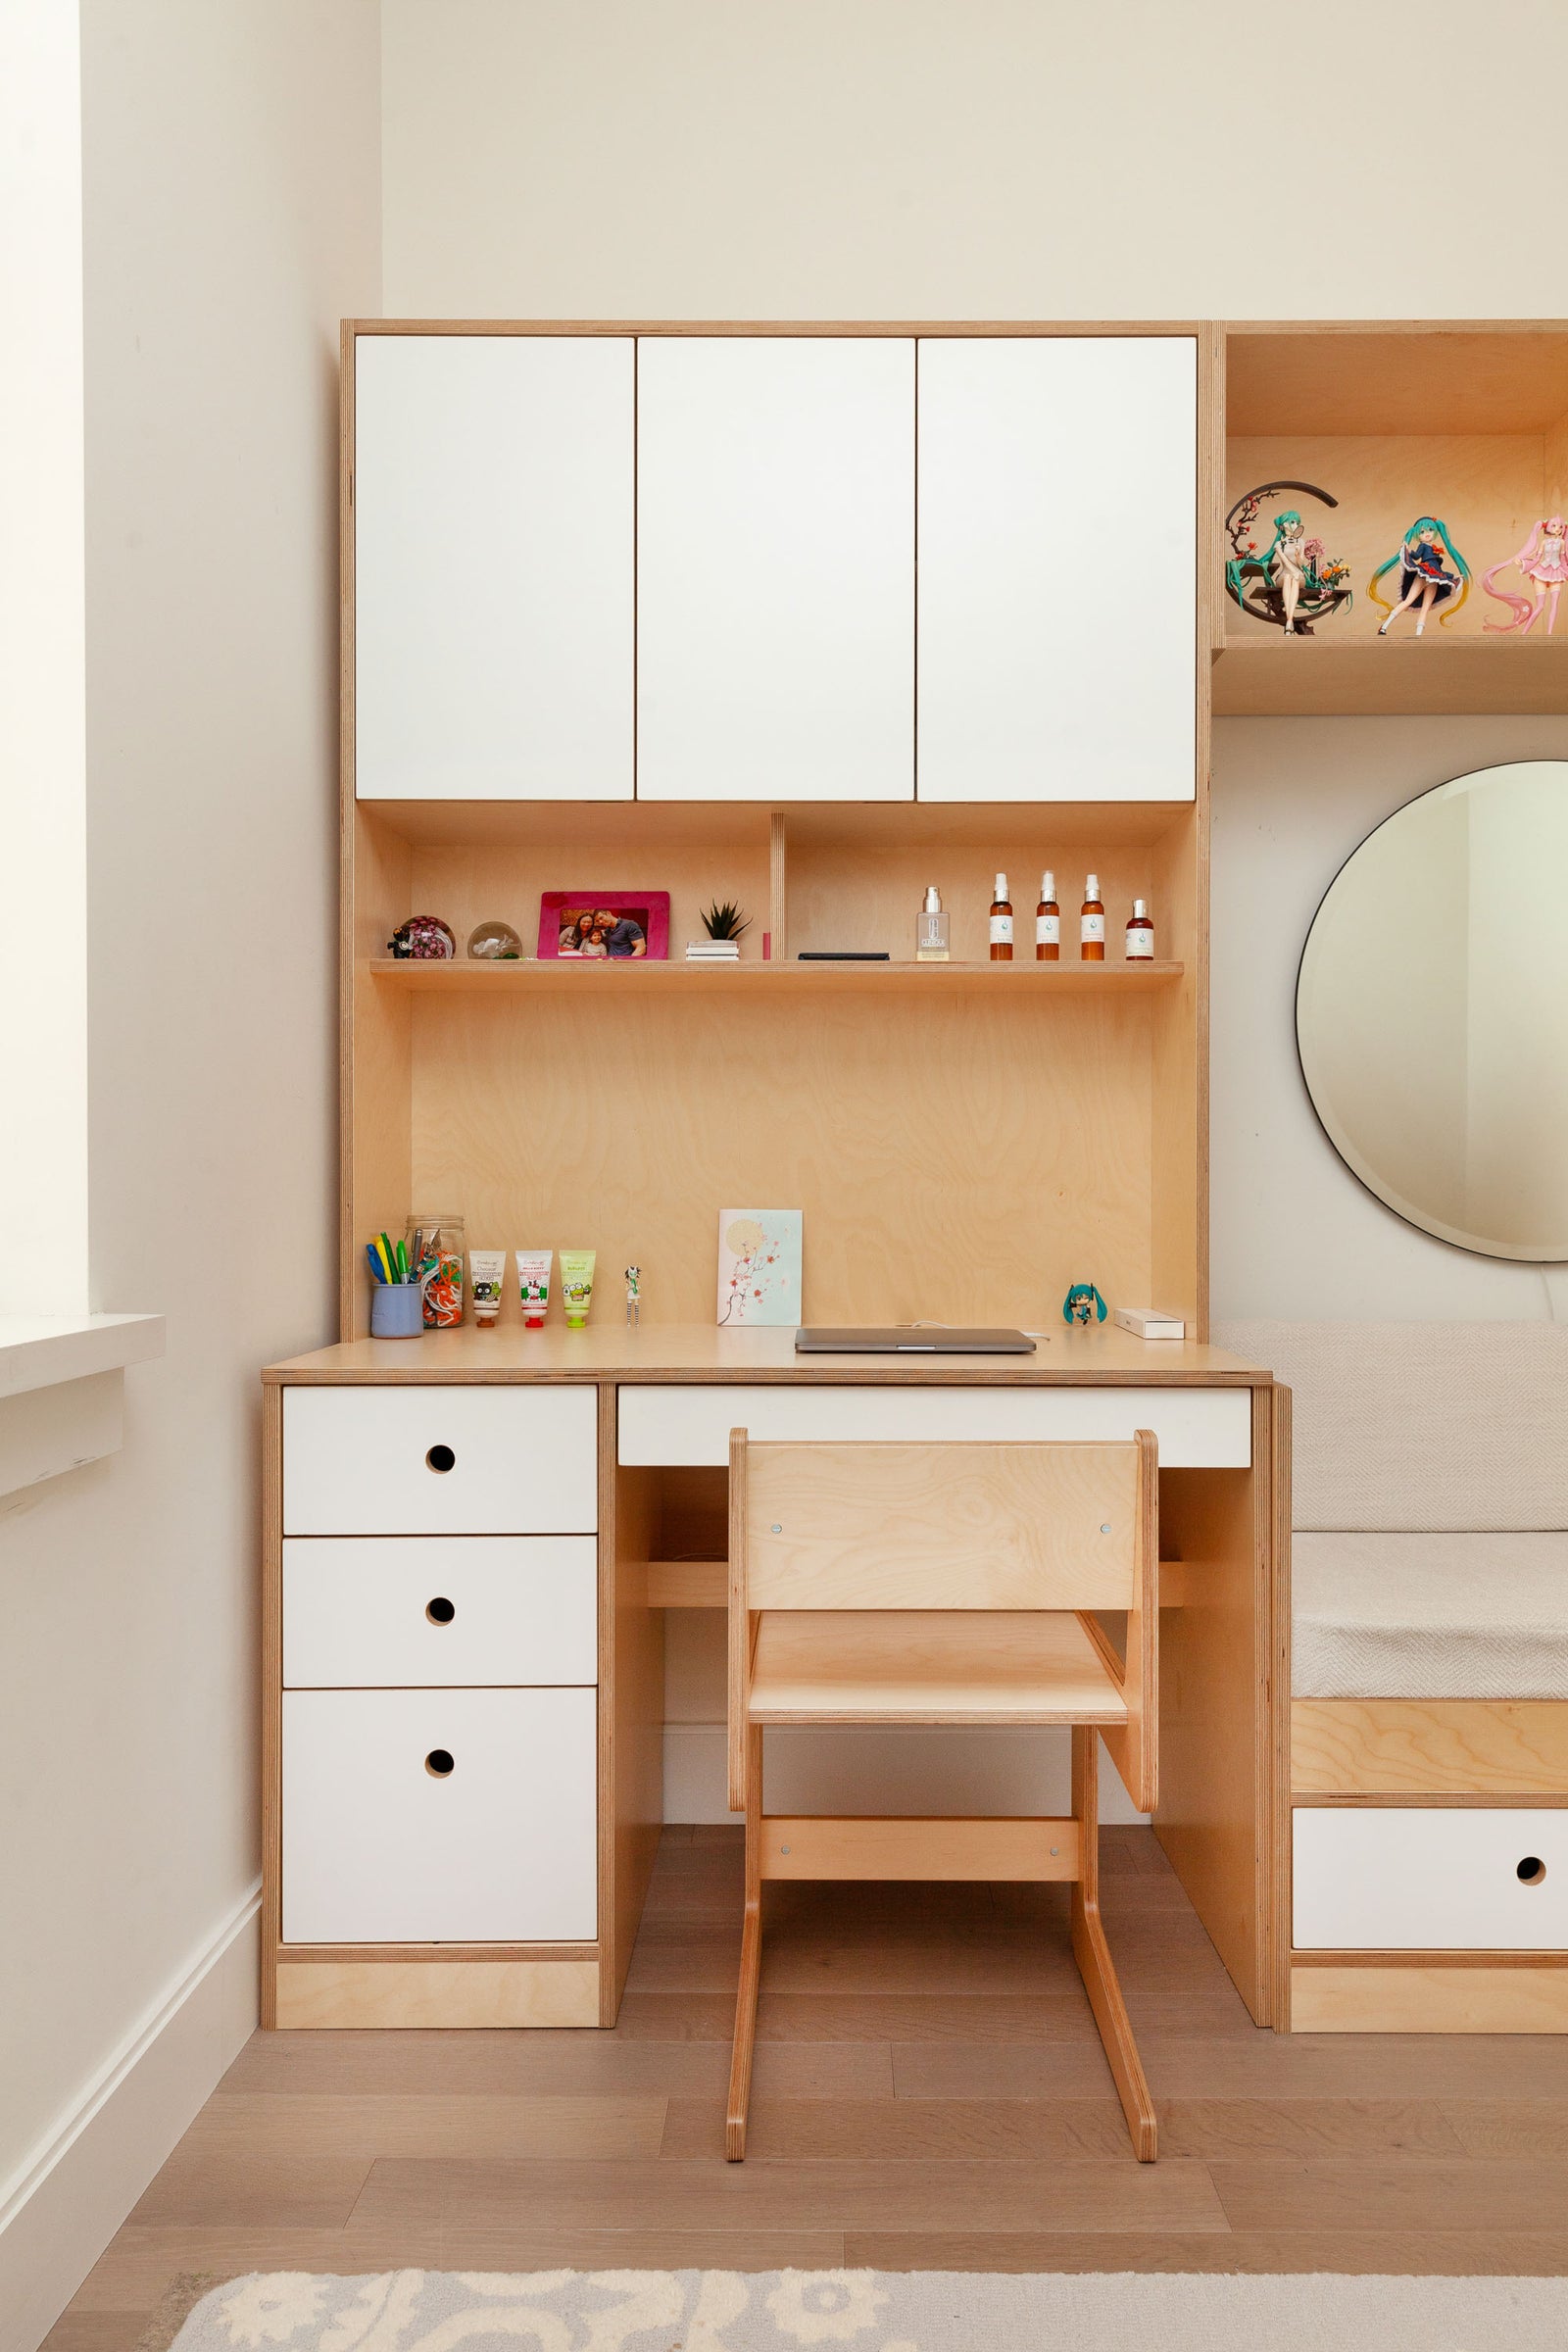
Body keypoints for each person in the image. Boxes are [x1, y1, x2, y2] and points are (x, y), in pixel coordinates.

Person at [1371, 516, 1470, 637]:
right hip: (1424, 574)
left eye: (1430, 530)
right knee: (1408, 600)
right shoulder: (1423, 546)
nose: (1427, 534)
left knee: (1425, 607)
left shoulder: (1434, 549)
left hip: (1434, 577)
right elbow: (1417, 556)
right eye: (1422, 532)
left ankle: (1418, 636)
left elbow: (1438, 569)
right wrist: (1408, 550)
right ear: (1417, 535)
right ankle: (1384, 627)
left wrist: (1452, 576)